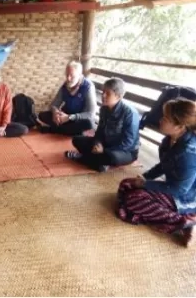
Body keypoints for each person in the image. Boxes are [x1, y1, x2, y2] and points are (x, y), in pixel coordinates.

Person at [116, 99, 196, 246]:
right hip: (173, 187)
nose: (161, 120)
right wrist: (145, 177)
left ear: (180, 126)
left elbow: (181, 189)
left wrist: (146, 184)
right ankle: (169, 217)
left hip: (187, 197)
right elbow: (164, 165)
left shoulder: (188, 153)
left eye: (166, 118)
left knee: (133, 199)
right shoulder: (170, 140)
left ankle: (184, 221)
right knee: (126, 184)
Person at [65, 77, 140, 172]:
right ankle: (99, 163)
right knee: (77, 140)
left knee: (113, 157)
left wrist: (104, 150)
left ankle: (83, 159)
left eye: (108, 93)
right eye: (103, 92)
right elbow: (99, 131)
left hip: (125, 151)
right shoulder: (104, 109)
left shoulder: (130, 113)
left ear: (118, 96)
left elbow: (128, 143)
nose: (103, 95)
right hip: (106, 144)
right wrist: (98, 143)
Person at [38, 61, 97, 136]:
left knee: (89, 124)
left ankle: (53, 129)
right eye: (67, 75)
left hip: (78, 119)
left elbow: (91, 113)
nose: (68, 79)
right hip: (65, 116)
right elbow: (54, 104)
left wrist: (70, 117)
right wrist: (55, 113)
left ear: (79, 75)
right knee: (42, 115)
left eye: (72, 76)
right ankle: (70, 130)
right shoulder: (65, 85)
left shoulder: (88, 87)